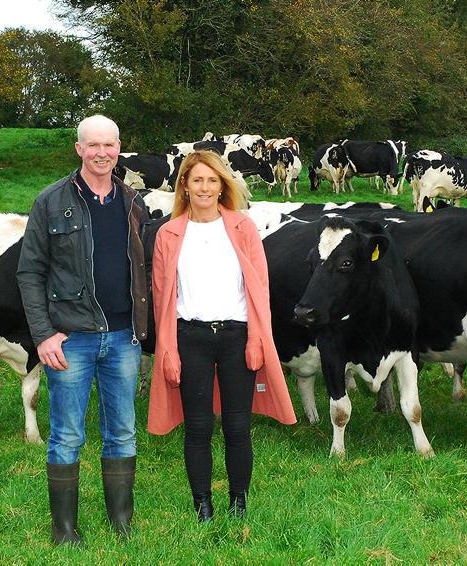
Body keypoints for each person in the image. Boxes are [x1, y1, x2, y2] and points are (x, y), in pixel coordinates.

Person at [17, 115, 149, 544]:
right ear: (79, 149)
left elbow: (146, 268)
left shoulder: (133, 202)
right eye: (93, 145)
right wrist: (43, 334)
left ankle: (121, 521)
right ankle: (64, 530)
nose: (101, 153)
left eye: (108, 145)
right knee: (67, 435)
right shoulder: (50, 201)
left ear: (119, 148)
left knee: (123, 431)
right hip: (70, 338)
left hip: (124, 338)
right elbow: (29, 272)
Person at [147, 150, 297, 522]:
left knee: (237, 425)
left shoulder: (243, 228)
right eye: (197, 179)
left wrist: (257, 339)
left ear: (222, 185)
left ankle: (238, 503)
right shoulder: (168, 234)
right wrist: (168, 350)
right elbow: (163, 299)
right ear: (184, 185)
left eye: (212, 180)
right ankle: (202, 505)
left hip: (237, 336)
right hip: (190, 336)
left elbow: (260, 289)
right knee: (198, 427)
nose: (204, 187)